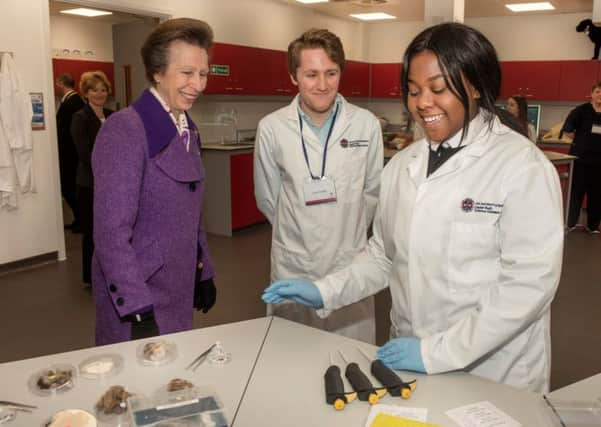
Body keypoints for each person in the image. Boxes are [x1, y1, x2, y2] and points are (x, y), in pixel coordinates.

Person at [263, 23, 564, 393]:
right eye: (413, 91)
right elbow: (382, 257)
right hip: (408, 358)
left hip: (494, 372)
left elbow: (527, 288)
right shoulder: (402, 167)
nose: (423, 103)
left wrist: (437, 352)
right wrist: (326, 290)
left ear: (474, 86)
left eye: (438, 89)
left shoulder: (522, 168)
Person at [91, 18, 217, 345]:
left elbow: (192, 211)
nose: (198, 84)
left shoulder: (188, 128)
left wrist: (204, 270)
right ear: (157, 72)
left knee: (172, 382)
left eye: (203, 74)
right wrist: (135, 305)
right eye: (187, 73)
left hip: (177, 282)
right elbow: (110, 232)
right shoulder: (124, 129)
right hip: (141, 292)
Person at [254, 29, 383, 344]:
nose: (322, 85)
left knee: (351, 354)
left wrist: (342, 231)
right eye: (311, 74)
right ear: (293, 76)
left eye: (331, 73)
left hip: (349, 259)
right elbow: (268, 198)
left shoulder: (366, 125)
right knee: (292, 354)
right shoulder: (272, 128)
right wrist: (303, 231)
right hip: (294, 261)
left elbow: (373, 192)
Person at [70, 71, 113, 286]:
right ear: (86, 93)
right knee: (92, 232)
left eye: (103, 89)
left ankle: (111, 273)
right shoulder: (80, 118)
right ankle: (91, 276)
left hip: (113, 186)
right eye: (94, 90)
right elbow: (85, 153)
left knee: (112, 232)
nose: (100, 94)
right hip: (90, 185)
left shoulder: (113, 115)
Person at [562, 81, 601, 234]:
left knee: (597, 195)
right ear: (591, 94)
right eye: (598, 91)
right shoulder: (581, 111)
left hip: (599, 163)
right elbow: (568, 129)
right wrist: (580, 142)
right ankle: (570, 223)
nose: (600, 95)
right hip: (580, 160)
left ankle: (592, 226)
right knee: (575, 193)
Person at [56, 73, 85, 231]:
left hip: (70, 154)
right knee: (68, 187)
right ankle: (78, 218)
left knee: (69, 188)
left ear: (61, 83)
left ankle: (81, 219)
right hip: (69, 153)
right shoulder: (70, 101)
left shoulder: (73, 102)